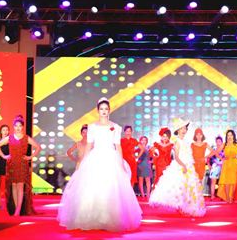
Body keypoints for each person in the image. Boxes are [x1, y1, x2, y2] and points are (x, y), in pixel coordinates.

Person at [57, 98, 142, 231]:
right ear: (98, 110)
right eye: (101, 109)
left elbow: (118, 146)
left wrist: (120, 163)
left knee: (111, 188)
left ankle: (111, 218)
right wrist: (83, 162)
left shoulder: (115, 127)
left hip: (111, 158)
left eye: (106, 109)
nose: (103, 111)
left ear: (109, 111)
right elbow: (89, 145)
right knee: (92, 187)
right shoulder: (92, 127)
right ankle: (90, 218)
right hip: (95, 158)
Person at [149, 117, 206, 217]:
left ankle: (185, 207)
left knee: (188, 187)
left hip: (188, 166)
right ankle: (180, 207)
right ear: (178, 130)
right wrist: (183, 165)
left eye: (185, 128)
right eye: (182, 128)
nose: (184, 130)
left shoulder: (186, 141)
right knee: (179, 187)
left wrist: (188, 165)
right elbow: (176, 157)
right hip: (180, 166)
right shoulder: (177, 142)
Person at [0, 115, 41, 217]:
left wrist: (30, 157)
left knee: (20, 186)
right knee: (14, 186)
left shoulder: (26, 138)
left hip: (22, 164)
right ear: (14, 127)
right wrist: (4, 156)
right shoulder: (10, 138)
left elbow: (38, 147)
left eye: (20, 126)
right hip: (12, 165)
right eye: (16, 126)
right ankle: (17, 209)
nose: (18, 128)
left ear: (23, 127)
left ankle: (18, 210)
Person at [217, 129, 237, 203]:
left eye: (231, 135)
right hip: (227, 164)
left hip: (234, 163)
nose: (229, 137)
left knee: (234, 181)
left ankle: (231, 197)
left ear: (233, 136)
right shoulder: (224, 144)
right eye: (228, 135)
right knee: (227, 181)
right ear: (226, 136)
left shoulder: (236, 143)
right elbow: (216, 152)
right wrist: (222, 159)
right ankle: (228, 198)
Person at [207, 136, 224, 200]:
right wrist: (209, 165)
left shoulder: (225, 149)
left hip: (223, 166)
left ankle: (222, 196)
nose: (218, 143)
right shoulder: (214, 149)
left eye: (219, 141)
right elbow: (208, 157)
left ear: (222, 142)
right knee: (213, 182)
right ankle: (212, 195)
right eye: (217, 141)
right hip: (215, 167)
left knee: (222, 182)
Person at [136, 135, 153, 200]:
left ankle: (148, 194)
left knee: (147, 180)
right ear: (140, 141)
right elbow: (133, 154)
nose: (143, 141)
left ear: (147, 141)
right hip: (140, 165)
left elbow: (154, 155)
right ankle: (142, 195)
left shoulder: (149, 148)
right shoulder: (138, 148)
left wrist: (151, 161)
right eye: (142, 140)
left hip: (147, 165)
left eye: (145, 140)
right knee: (140, 180)